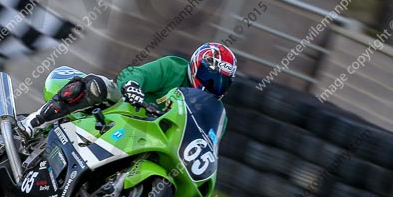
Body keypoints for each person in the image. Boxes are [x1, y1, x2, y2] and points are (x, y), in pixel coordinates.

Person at [18, 43, 237, 137]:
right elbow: (138, 73)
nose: (212, 86)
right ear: (196, 66)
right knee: (100, 86)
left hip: (151, 138)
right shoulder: (174, 68)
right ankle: (37, 121)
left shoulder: (219, 116)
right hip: (123, 111)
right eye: (210, 78)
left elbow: (206, 142)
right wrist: (133, 87)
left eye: (220, 83)